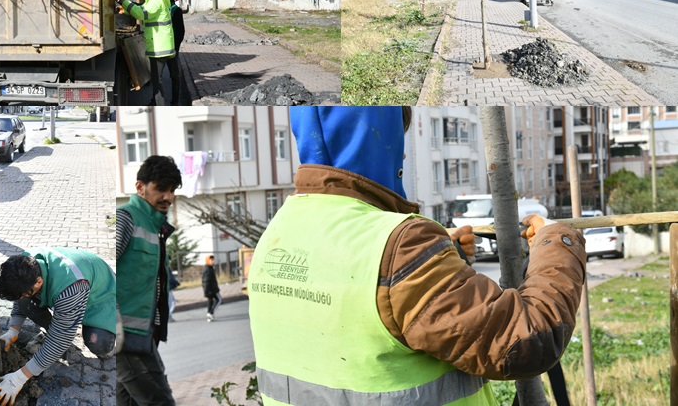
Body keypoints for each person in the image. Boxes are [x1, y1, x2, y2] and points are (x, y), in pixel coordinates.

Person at [248, 107, 587, 406]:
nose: (405, 157)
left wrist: (440, 260)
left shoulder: (278, 231)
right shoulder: (402, 245)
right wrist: (555, 240)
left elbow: (356, 300)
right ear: (378, 139)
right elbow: (525, 340)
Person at [0, 248, 116, 405]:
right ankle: (59, 328)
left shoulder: (70, 287)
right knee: (27, 300)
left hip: (100, 297)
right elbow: (20, 298)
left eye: (24, 293)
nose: (21, 297)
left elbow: (62, 338)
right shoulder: (25, 265)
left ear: (39, 282)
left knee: (99, 343)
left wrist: (19, 377)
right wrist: (13, 330)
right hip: (71, 293)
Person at [115, 155, 182, 406]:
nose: (168, 197)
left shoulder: (155, 227)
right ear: (140, 187)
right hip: (126, 338)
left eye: (172, 190)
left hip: (142, 335)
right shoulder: (125, 219)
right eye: (161, 189)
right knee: (160, 401)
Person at [115, 0, 178, 106]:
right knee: (157, 79)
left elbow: (141, 14)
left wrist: (124, 2)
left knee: (157, 80)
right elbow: (143, 10)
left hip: (160, 47)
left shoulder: (156, 0)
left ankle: (159, 107)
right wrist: (125, 10)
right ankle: (155, 103)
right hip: (160, 44)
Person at [160, 0, 185, 107]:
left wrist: (175, 48)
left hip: (169, 50)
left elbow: (180, 32)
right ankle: (158, 101)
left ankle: (174, 101)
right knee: (160, 77)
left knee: (173, 76)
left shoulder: (175, 10)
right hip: (162, 48)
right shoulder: (160, 7)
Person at [201, 255, 221, 322]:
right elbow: (206, 281)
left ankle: (209, 315)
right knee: (219, 300)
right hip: (211, 289)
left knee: (211, 301)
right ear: (207, 261)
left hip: (211, 289)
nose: (213, 261)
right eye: (211, 260)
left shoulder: (210, 268)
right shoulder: (207, 269)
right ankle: (211, 313)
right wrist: (206, 291)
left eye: (213, 260)